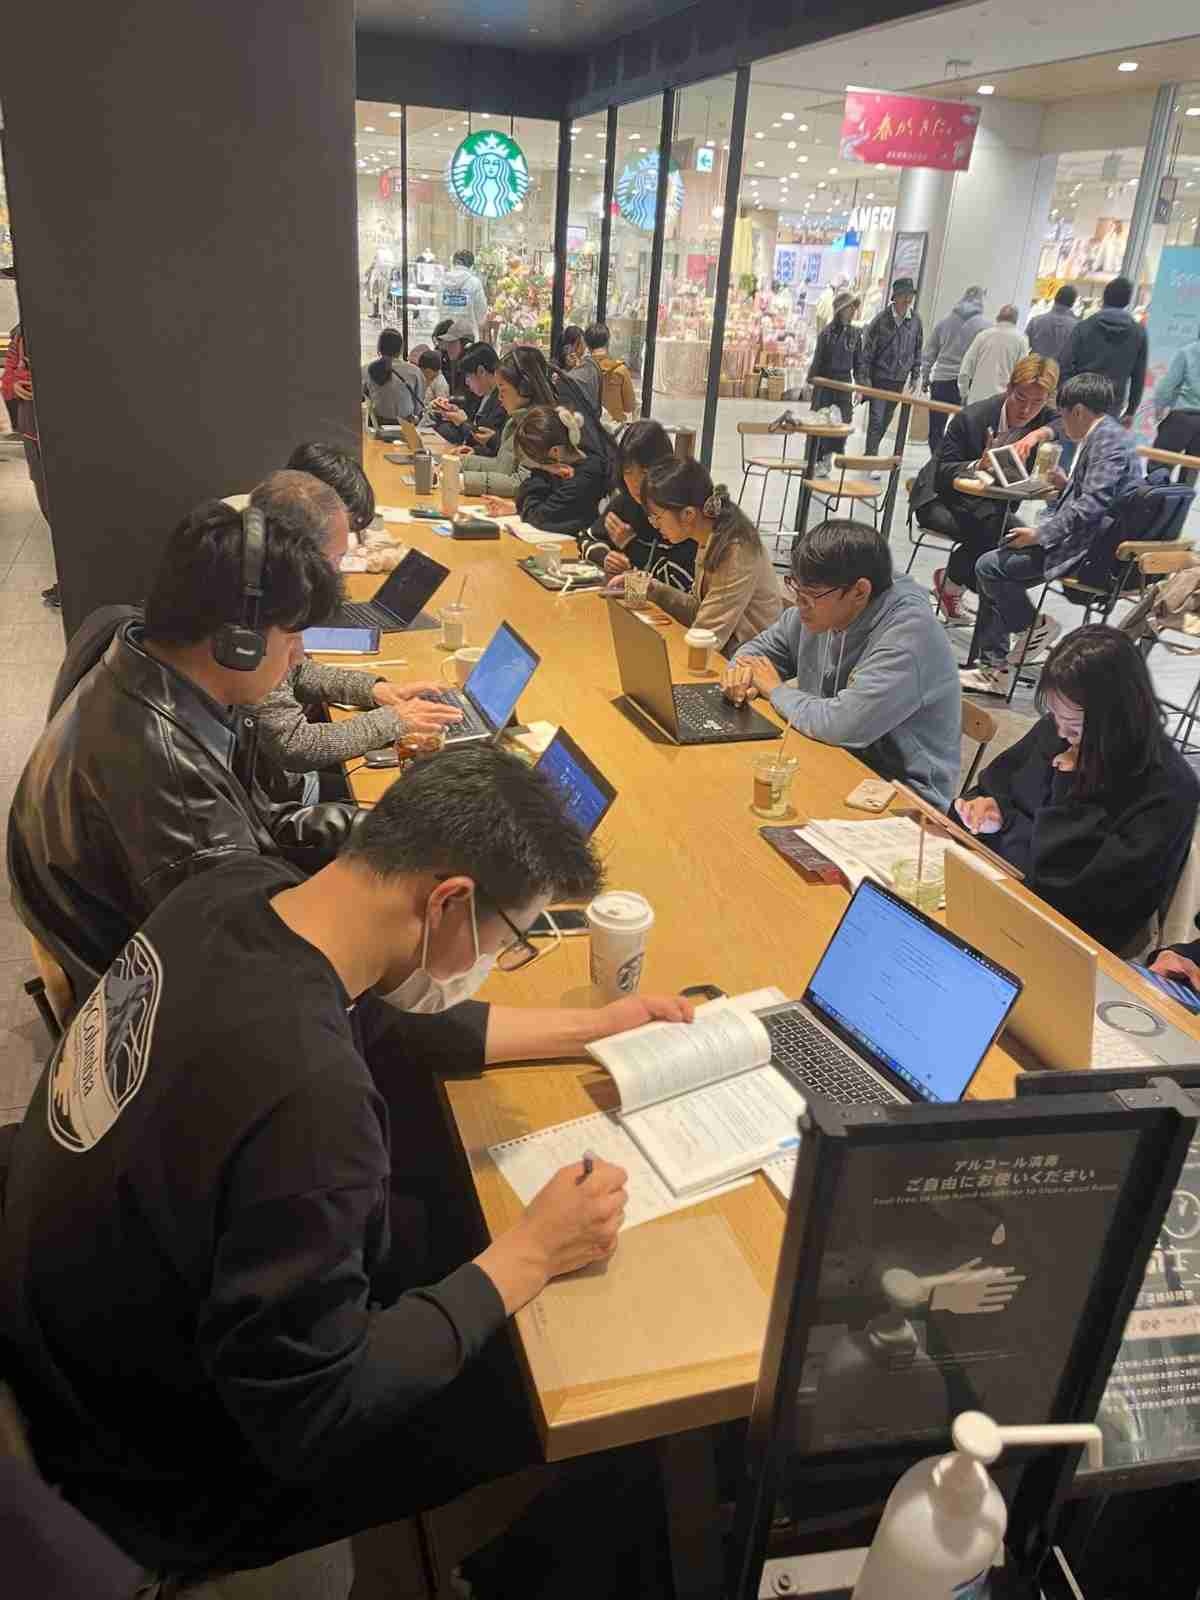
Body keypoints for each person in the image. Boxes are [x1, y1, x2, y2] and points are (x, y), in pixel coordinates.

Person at [0, 743, 694, 1589]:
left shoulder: (237, 891)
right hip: (161, 1473)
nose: (494, 961)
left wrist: (591, 1028)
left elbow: (388, 1020)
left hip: (67, 1331)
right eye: (508, 941)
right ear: (450, 901)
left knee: (443, 1215)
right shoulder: (312, 1104)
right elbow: (314, 1413)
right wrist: (532, 1254)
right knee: (586, 1381)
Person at [8, 479, 358, 984]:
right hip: (168, 987)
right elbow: (250, 976)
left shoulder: (137, 657)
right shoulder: (174, 785)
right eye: (292, 637)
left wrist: (382, 830)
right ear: (238, 643)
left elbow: (258, 825)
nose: (298, 655)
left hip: (156, 929)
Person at [955, 627, 1199, 953]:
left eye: (1074, 727)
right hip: (994, 889)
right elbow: (988, 789)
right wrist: (984, 811)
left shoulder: (1166, 790)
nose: (1060, 732)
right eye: (1054, 715)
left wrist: (1016, 821)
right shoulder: (1059, 731)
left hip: (1063, 941)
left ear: (1118, 720)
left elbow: (1067, 893)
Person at [254, 450, 464, 787]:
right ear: (301, 555)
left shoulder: (260, 579)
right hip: (281, 794)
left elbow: (295, 671)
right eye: (336, 558)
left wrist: (376, 690)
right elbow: (292, 743)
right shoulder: (257, 614)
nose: (340, 572)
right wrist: (394, 720)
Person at [723, 520, 961, 808]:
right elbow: (757, 652)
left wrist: (775, 690)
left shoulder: (908, 637)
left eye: (810, 596)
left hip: (901, 795)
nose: (799, 604)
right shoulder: (823, 605)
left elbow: (841, 726)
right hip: (827, 753)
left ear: (859, 592)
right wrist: (741, 676)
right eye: (796, 589)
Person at [962, 373, 1141, 698]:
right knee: (997, 563)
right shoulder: (1112, 435)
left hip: (1088, 552)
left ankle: (1029, 631)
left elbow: (1092, 506)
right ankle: (998, 666)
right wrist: (1065, 485)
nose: (1062, 423)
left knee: (989, 566)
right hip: (1092, 542)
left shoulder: (1106, 442)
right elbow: (1098, 498)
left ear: (1078, 411)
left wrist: (1040, 534)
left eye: (1063, 414)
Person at [909, 353, 1061, 621]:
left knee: (1035, 546)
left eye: (1037, 402)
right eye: (1021, 398)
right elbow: (943, 471)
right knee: (994, 539)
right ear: (1009, 389)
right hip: (941, 499)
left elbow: (1063, 423)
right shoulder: (972, 417)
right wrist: (978, 465)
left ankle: (953, 583)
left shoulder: (1043, 418)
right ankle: (1016, 619)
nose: (1026, 410)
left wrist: (1037, 435)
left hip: (990, 505)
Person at [609, 459, 782, 653]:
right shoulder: (709, 536)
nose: (654, 525)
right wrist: (651, 589)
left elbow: (706, 636)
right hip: (728, 650)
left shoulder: (735, 550)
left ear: (688, 514)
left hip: (750, 660)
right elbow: (699, 609)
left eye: (656, 517)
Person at [578, 419, 696, 592]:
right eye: (628, 471)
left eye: (645, 471)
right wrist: (605, 557)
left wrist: (631, 545)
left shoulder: (680, 510)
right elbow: (586, 537)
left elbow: (679, 583)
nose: (635, 482)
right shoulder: (626, 503)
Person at [0, 319, 59, 608]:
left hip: (69, 436)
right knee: (48, 505)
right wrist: (14, 385)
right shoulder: (19, 332)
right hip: (32, 432)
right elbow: (7, 380)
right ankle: (69, 577)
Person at [481, 405, 608, 536]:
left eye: (535, 459)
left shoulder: (587, 475)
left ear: (555, 451)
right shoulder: (563, 466)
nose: (535, 465)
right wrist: (516, 508)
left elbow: (540, 516)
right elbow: (534, 500)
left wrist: (542, 468)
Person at [459, 344, 555, 498]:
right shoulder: (517, 421)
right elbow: (502, 467)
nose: (499, 398)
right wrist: (461, 463)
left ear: (524, 388)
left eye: (503, 390)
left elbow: (521, 483)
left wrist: (464, 481)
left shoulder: (538, 426)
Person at [1060, 275, 1149, 425]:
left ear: (1104, 297)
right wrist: (1131, 410)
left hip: (1079, 401)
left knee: (1073, 436)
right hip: (1112, 404)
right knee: (1104, 438)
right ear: (1128, 301)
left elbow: (1065, 364)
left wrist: (1065, 398)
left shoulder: (1084, 327)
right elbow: (1138, 376)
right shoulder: (1138, 333)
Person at [859, 275, 924, 458]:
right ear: (895, 297)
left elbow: (918, 348)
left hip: (898, 380)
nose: (908, 299)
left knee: (886, 418)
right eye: (904, 295)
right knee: (877, 418)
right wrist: (864, 379)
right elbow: (867, 352)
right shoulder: (881, 320)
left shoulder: (916, 321)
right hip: (879, 378)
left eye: (910, 295)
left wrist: (915, 374)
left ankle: (871, 450)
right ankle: (871, 455)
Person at [921, 287, 989, 453]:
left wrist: (925, 376)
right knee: (962, 429)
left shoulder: (944, 322)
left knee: (936, 428)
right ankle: (950, 461)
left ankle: (935, 460)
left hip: (941, 381)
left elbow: (929, 352)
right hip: (966, 384)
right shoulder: (985, 327)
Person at [806, 291, 862, 460]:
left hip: (844, 383)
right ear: (840, 309)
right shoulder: (826, 333)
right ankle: (815, 459)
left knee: (843, 421)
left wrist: (860, 386)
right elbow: (818, 360)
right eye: (849, 307)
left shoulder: (855, 334)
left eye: (854, 308)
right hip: (826, 382)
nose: (853, 311)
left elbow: (859, 363)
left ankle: (828, 457)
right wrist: (812, 381)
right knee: (821, 421)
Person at [429, 340, 505, 452]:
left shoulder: (503, 400)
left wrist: (463, 423)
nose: (466, 382)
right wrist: (452, 412)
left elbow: (487, 443)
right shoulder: (480, 395)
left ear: (481, 371)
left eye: (468, 376)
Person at [958, 305, 1028, 405]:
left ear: (998, 317)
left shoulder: (983, 336)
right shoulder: (1021, 340)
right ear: (1016, 320)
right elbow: (1022, 375)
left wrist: (964, 393)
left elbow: (965, 369)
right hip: (1001, 402)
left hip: (976, 400)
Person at [1152, 325, 1200, 460]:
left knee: (1160, 464)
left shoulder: (1187, 352)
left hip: (1183, 416)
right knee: (1192, 467)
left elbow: (1169, 383)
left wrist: (1160, 406)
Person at [363, 329, 422, 425]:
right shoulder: (414, 371)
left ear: (379, 348)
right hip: (406, 426)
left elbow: (362, 399)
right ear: (401, 349)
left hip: (377, 425)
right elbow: (418, 406)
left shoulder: (366, 370)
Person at [585, 322, 636, 422]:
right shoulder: (621, 370)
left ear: (587, 345)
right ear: (607, 343)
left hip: (589, 427)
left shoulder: (580, 370)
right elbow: (629, 407)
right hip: (614, 427)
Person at [436, 247, 488, 340]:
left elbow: (438, 304)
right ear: (471, 264)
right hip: (467, 335)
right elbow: (481, 310)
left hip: (444, 332)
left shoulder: (443, 281)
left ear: (453, 262)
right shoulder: (474, 282)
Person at [1026, 285, 1079, 368]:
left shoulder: (1035, 321)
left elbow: (1024, 347)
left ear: (1055, 298)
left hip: (1034, 370)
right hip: (1059, 373)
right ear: (1072, 303)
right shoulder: (1077, 327)